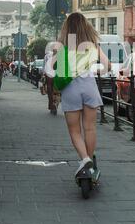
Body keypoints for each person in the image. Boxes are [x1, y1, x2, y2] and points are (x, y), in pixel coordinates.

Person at [56, 12, 110, 179]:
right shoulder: (93, 44)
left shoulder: (62, 46)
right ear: (86, 26)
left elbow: (54, 71)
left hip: (70, 89)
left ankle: (85, 159)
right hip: (89, 87)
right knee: (90, 128)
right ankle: (90, 164)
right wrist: (92, 70)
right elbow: (107, 67)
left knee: (75, 131)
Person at [43, 43, 58, 115]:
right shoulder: (48, 56)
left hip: (51, 75)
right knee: (53, 90)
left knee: (51, 91)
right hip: (53, 75)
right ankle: (53, 105)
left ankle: (52, 105)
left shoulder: (47, 56)